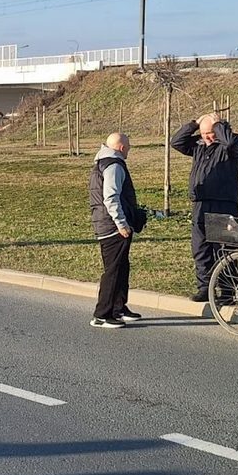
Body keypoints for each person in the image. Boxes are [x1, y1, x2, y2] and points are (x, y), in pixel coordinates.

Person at [171, 111, 238, 301]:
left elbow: (227, 142)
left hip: (223, 203)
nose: (207, 137)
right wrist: (195, 123)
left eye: (210, 133)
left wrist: (218, 125)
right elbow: (176, 142)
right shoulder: (199, 146)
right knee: (201, 248)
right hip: (201, 203)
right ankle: (205, 288)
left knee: (225, 248)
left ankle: (228, 290)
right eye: (203, 134)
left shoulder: (232, 142)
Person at [88, 132, 144, 328]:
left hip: (106, 223)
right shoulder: (113, 165)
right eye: (128, 146)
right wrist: (121, 224)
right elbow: (110, 197)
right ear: (121, 147)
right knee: (112, 270)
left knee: (121, 267)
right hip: (112, 226)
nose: (129, 150)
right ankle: (102, 315)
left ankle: (119, 308)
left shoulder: (103, 162)